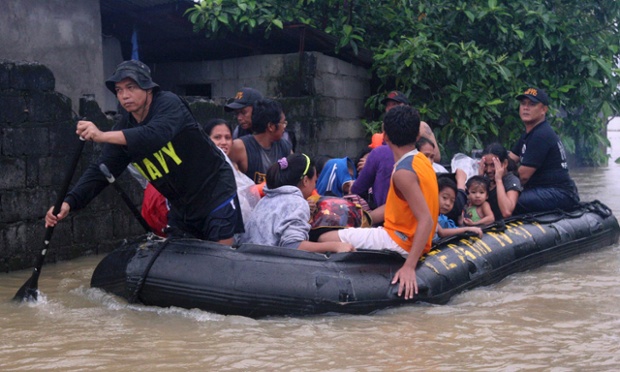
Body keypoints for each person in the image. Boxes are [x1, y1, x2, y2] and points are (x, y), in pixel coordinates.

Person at [44, 60, 243, 244]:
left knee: (220, 258)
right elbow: (102, 170)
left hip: (215, 192)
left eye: (131, 87)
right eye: (119, 90)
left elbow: (154, 135)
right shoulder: (125, 125)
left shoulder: (169, 104)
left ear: (148, 89)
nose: (124, 95)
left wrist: (101, 135)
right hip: (182, 207)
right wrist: (69, 202)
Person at [319, 105, 439, 299]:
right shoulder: (423, 161)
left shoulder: (402, 173)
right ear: (418, 136)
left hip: (399, 241)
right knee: (354, 232)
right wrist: (361, 220)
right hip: (406, 236)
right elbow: (404, 208)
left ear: (385, 136)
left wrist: (409, 266)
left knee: (324, 238)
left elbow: (426, 218)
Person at [240, 153, 354, 253]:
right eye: (315, 181)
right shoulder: (297, 202)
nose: (315, 186)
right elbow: (292, 246)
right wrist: (335, 246)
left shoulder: (265, 200)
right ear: (305, 181)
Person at [508, 87, 580, 213]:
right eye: (523, 104)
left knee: (508, 201)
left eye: (532, 104)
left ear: (543, 110)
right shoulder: (529, 133)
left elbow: (523, 176)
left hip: (558, 193)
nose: (526, 108)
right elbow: (510, 160)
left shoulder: (542, 134)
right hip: (540, 190)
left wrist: (498, 186)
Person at [229, 98, 293, 184]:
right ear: (271, 126)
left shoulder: (285, 146)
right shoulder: (240, 147)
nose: (284, 127)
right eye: (283, 123)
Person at [381, 90, 441, 163]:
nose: (390, 108)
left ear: (406, 106)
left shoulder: (421, 126)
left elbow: (436, 156)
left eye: (394, 104)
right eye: (388, 105)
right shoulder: (385, 127)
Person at [480, 143, 522, 220]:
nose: (489, 170)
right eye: (486, 165)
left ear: (504, 163)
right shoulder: (486, 179)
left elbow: (506, 212)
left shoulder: (511, 180)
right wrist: (479, 179)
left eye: (493, 165)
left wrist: (498, 180)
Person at [435, 176, 482, 240]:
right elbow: (442, 233)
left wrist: (461, 223)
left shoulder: (442, 217)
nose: (448, 203)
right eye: (444, 197)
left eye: (452, 201)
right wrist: (468, 229)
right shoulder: (428, 213)